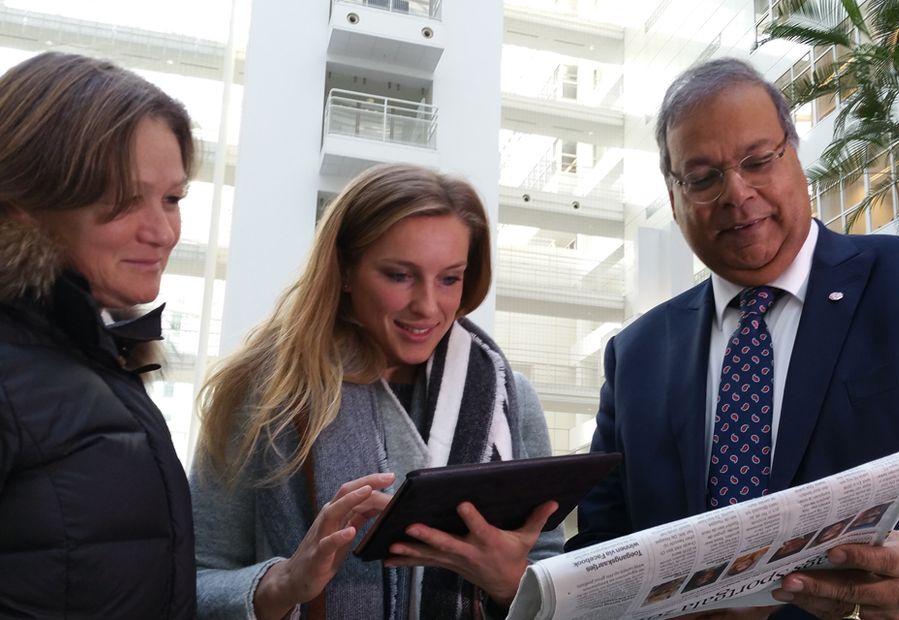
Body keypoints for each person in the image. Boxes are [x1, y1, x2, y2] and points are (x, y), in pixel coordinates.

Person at [566, 57, 899, 620]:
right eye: (702, 178)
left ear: (796, 158)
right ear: (674, 198)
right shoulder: (635, 358)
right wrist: (520, 582)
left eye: (757, 160)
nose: (737, 193)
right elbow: (605, 554)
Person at [191, 162, 562, 619]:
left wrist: (507, 580)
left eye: (450, 278)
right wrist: (285, 582)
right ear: (345, 270)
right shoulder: (264, 393)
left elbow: (552, 575)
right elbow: (193, 581)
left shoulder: (510, 399)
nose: (427, 305)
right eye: (398, 275)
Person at [0, 52, 195, 617]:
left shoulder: (96, 353)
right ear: (24, 204)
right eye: (124, 199)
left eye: (173, 199)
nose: (161, 231)